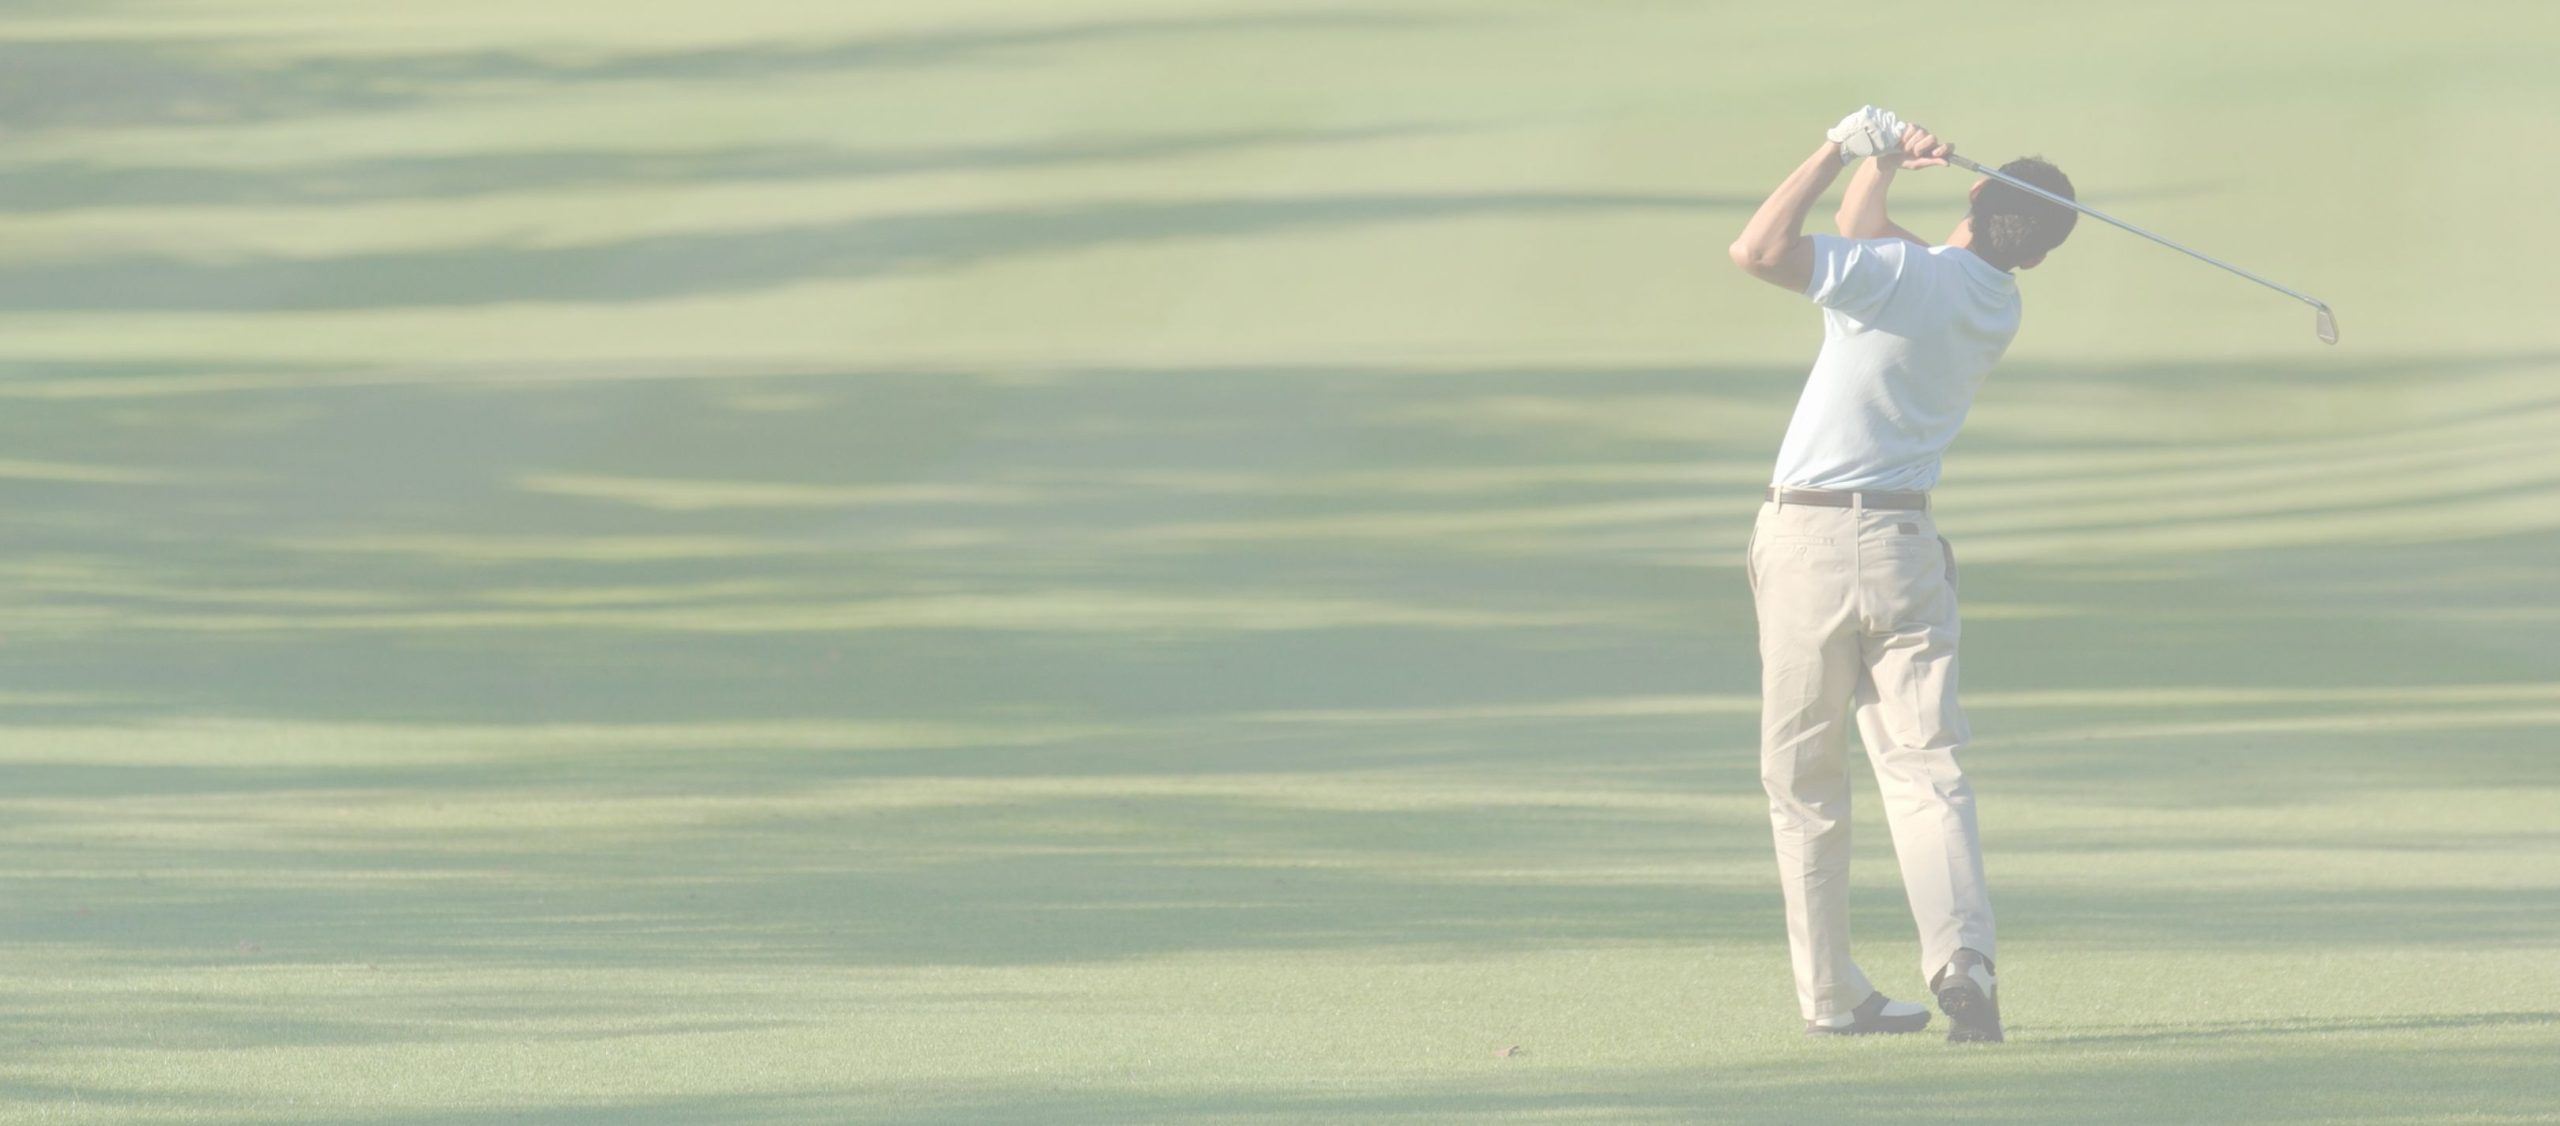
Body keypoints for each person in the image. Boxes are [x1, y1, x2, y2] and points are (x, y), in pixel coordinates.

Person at [1724, 106, 2079, 1043]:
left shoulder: (1895, 278)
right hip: (1908, 554)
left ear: (1973, 190)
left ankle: (1832, 999)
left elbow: (1759, 249)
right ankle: (1965, 960)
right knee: (1926, 769)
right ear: (2038, 248)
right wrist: (1878, 170)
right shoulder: (1994, 301)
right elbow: (1871, 245)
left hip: (1808, 544)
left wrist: (1843, 149)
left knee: (1806, 782)